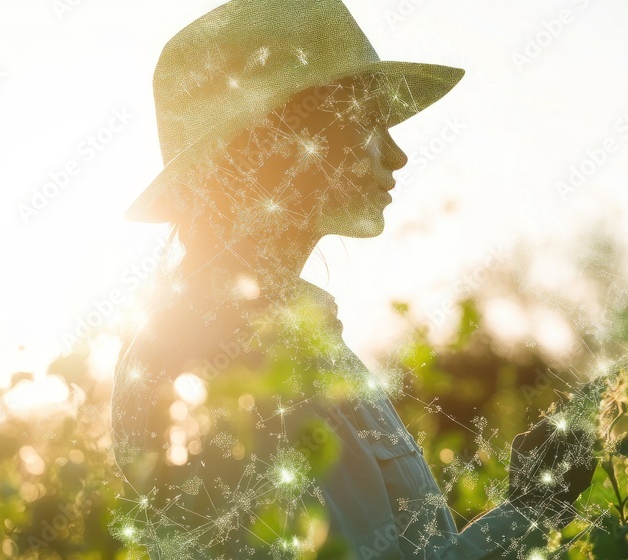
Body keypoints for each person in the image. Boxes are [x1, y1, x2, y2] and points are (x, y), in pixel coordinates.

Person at [110, 1, 596, 558]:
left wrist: (532, 508)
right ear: (277, 140)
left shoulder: (277, 335)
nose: (397, 153)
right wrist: (531, 510)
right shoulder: (228, 355)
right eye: (368, 120)